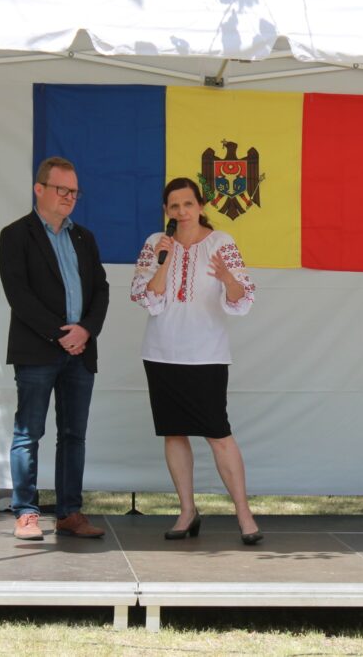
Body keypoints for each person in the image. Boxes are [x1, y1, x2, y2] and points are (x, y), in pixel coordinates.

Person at [130, 177, 262, 545]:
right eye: (174, 206)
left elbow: (242, 298)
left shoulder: (222, 243)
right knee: (174, 432)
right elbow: (144, 297)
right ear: (166, 210)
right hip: (161, 353)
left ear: (201, 206)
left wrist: (228, 278)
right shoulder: (155, 244)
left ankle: (244, 514)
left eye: (188, 204)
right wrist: (165, 260)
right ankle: (187, 511)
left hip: (206, 354)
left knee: (218, 434)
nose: (182, 211)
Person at [0, 156, 110, 541]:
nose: (69, 197)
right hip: (37, 351)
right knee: (28, 433)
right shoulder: (16, 235)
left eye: (74, 192)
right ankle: (26, 513)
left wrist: (86, 331)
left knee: (74, 436)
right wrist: (59, 334)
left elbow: (101, 290)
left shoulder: (84, 238)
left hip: (81, 352)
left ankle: (69, 513)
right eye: (62, 189)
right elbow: (19, 295)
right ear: (39, 189)